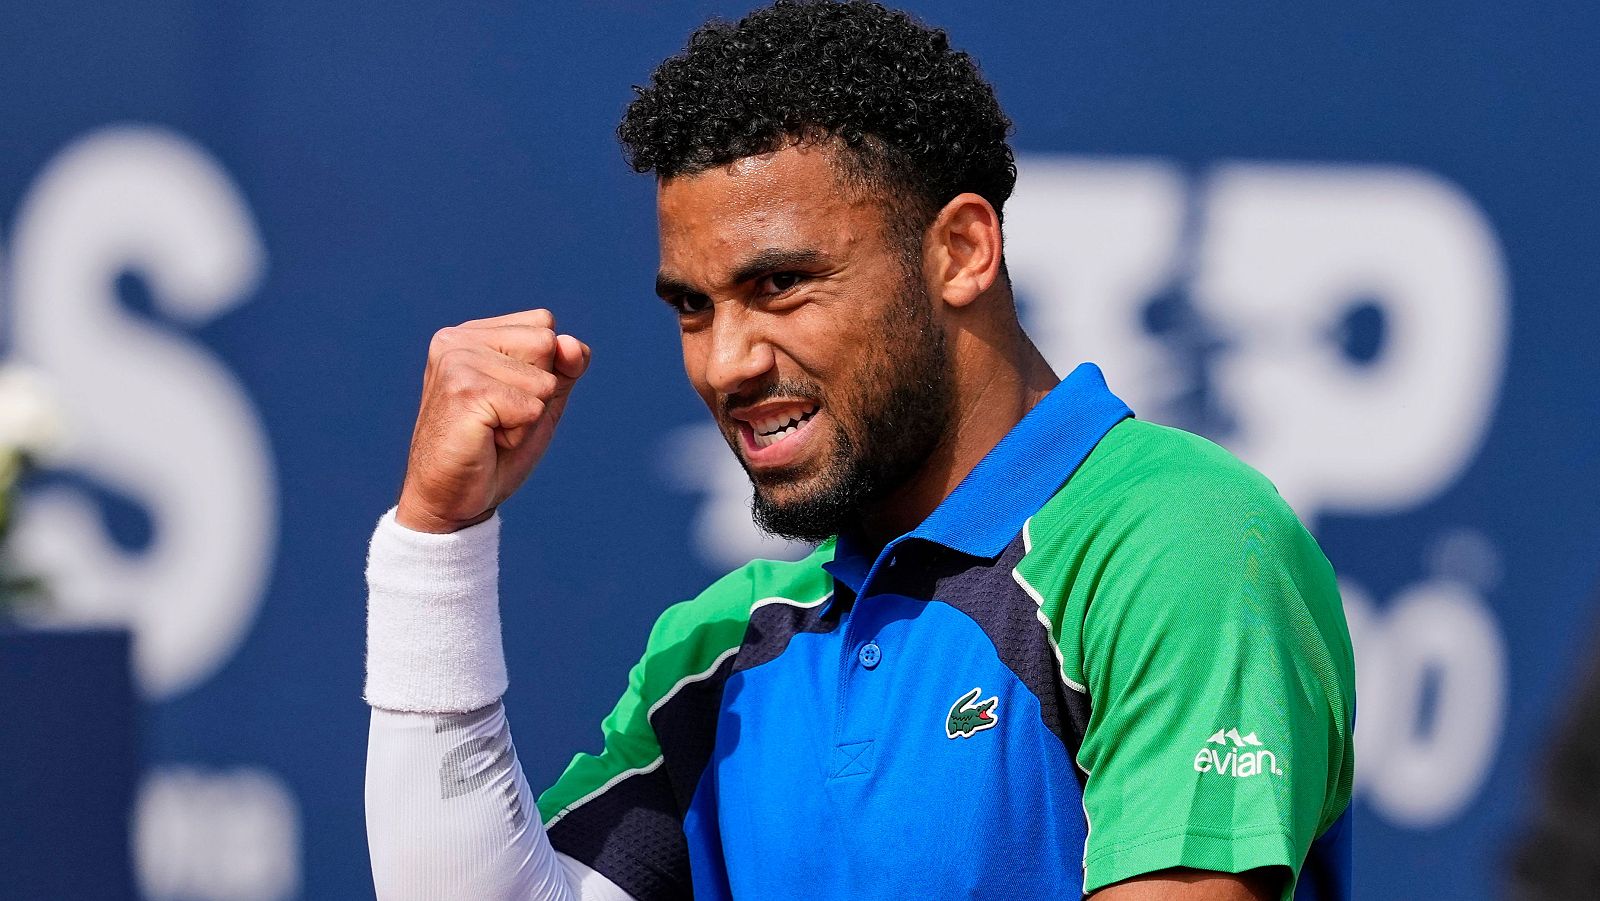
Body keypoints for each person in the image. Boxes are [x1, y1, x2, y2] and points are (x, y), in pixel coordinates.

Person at [363, 2, 1356, 899]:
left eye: (783, 285)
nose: (725, 362)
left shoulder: (1172, 536)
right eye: (693, 308)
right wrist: (436, 542)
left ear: (961, 252)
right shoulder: (717, 648)